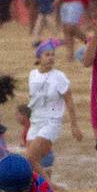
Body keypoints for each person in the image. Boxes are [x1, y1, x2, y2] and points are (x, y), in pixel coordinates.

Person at [25, 38, 84, 171]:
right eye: (47, 55)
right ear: (39, 57)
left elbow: (69, 100)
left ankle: (49, 186)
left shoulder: (59, 77)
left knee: (30, 157)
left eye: (53, 55)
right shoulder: (32, 75)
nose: (51, 58)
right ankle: (45, 185)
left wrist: (74, 125)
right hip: (35, 122)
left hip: (51, 122)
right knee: (33, 162)